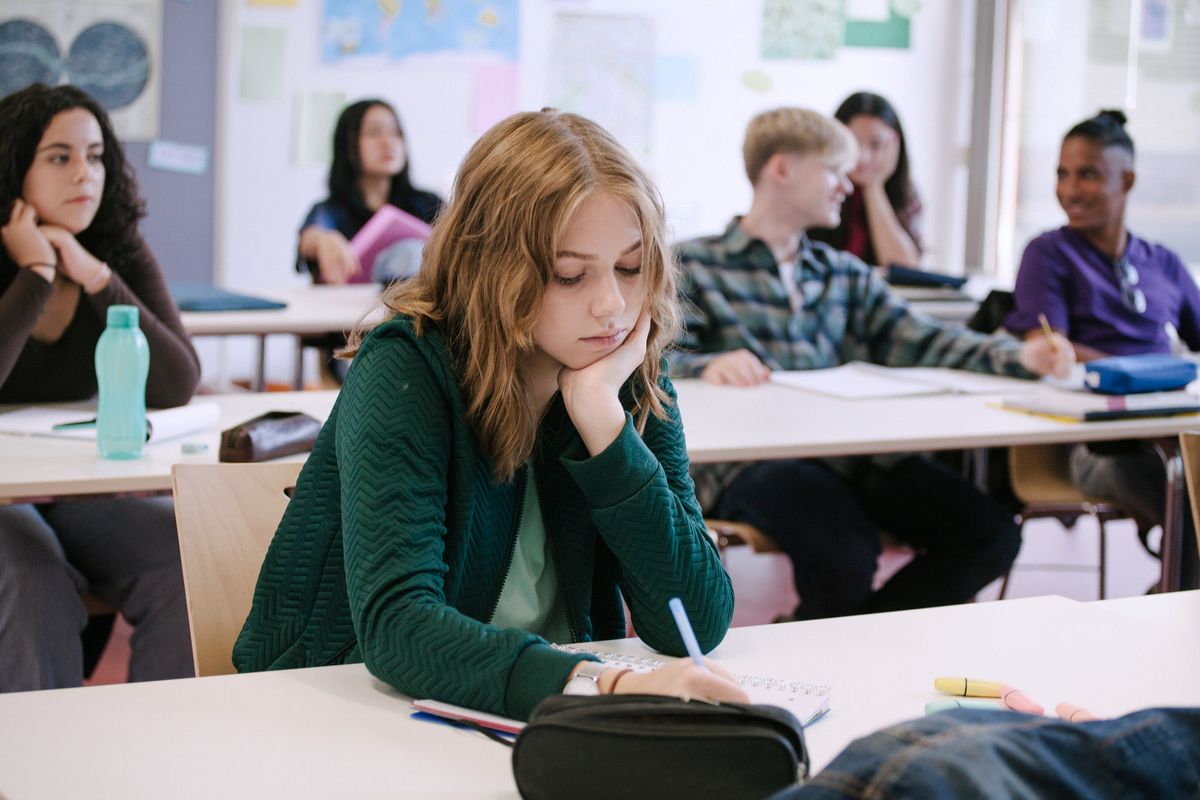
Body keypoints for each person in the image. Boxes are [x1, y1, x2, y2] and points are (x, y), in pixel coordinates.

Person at [234, 110, 748, 720]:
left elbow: (697, 618)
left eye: (630, 268)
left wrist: (604, 426)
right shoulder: (407, 368)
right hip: (347, 712)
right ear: (495, 269)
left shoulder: (623, 372)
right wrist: (602, 687)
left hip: (533, 715)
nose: (612, 304)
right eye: (569, 275)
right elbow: (399, 628)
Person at [671, 107, 1073, 621]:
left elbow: (924, 340)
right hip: (752, 467)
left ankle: (843, 636)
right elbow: (649, 363)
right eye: (835, 170)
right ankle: (837, 646)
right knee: (845, 550)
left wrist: (1021, 357)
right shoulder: (693, 264)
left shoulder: (843, 273)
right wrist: (704, 365)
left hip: (849, 455)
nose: (847, 185)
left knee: (990, 534)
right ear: (782, 169)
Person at [0, 83, 200, 690]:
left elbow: (178, 381)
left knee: (183, 555)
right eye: (59, 157)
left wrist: (94, 277)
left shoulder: (113, 249)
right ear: (15, 167)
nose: (84, 174)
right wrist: (35, 274)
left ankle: (156, 759)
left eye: (95, 155)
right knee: (35, 578)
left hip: (71, 488)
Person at [1004, 109, 1200, 588]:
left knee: (1190, 491)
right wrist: (1155, 368)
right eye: (1062, 174)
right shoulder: (1048, 254)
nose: (1070, 190)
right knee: (1191, 505)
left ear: (1126, 179)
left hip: (1173, 434)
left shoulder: (1162, 262)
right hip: (1097, 446)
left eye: (1088, 174)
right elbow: (1049, 349)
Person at [297, 98, 442, 286]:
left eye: (395, 132)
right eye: (374, 132)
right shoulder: (331, 210)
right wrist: (322, 240)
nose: (388, 142)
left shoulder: (428, 203)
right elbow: (310, 237)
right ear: (348, 145)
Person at [808, 91, 922, 267]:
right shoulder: (819, 184)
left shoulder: (904, 192)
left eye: (876, 144)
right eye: (853, 143)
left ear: (895, 143)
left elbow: (905, 268)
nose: (863, 157)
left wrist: (874, 187)